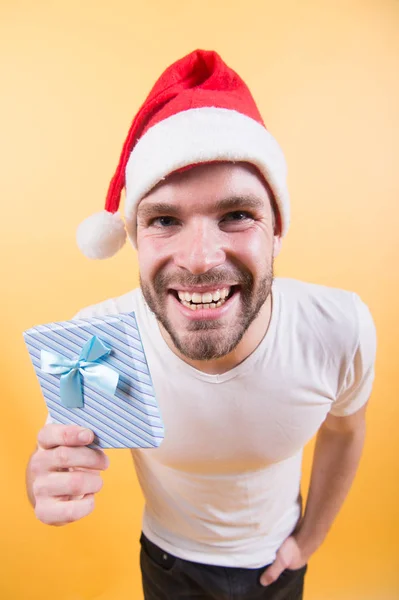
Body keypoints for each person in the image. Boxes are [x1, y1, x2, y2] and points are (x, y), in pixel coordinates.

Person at [25, 50, 377, 600]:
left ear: (277, 229)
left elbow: (345, 430)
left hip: (278, 559)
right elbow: (61, 459)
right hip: (167, 562)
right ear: (136, 239)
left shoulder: (338, 329)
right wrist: (45, 481)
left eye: (236, 214)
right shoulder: (98, 344)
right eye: (165, 219)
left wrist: (309, 540)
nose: (198, 258)